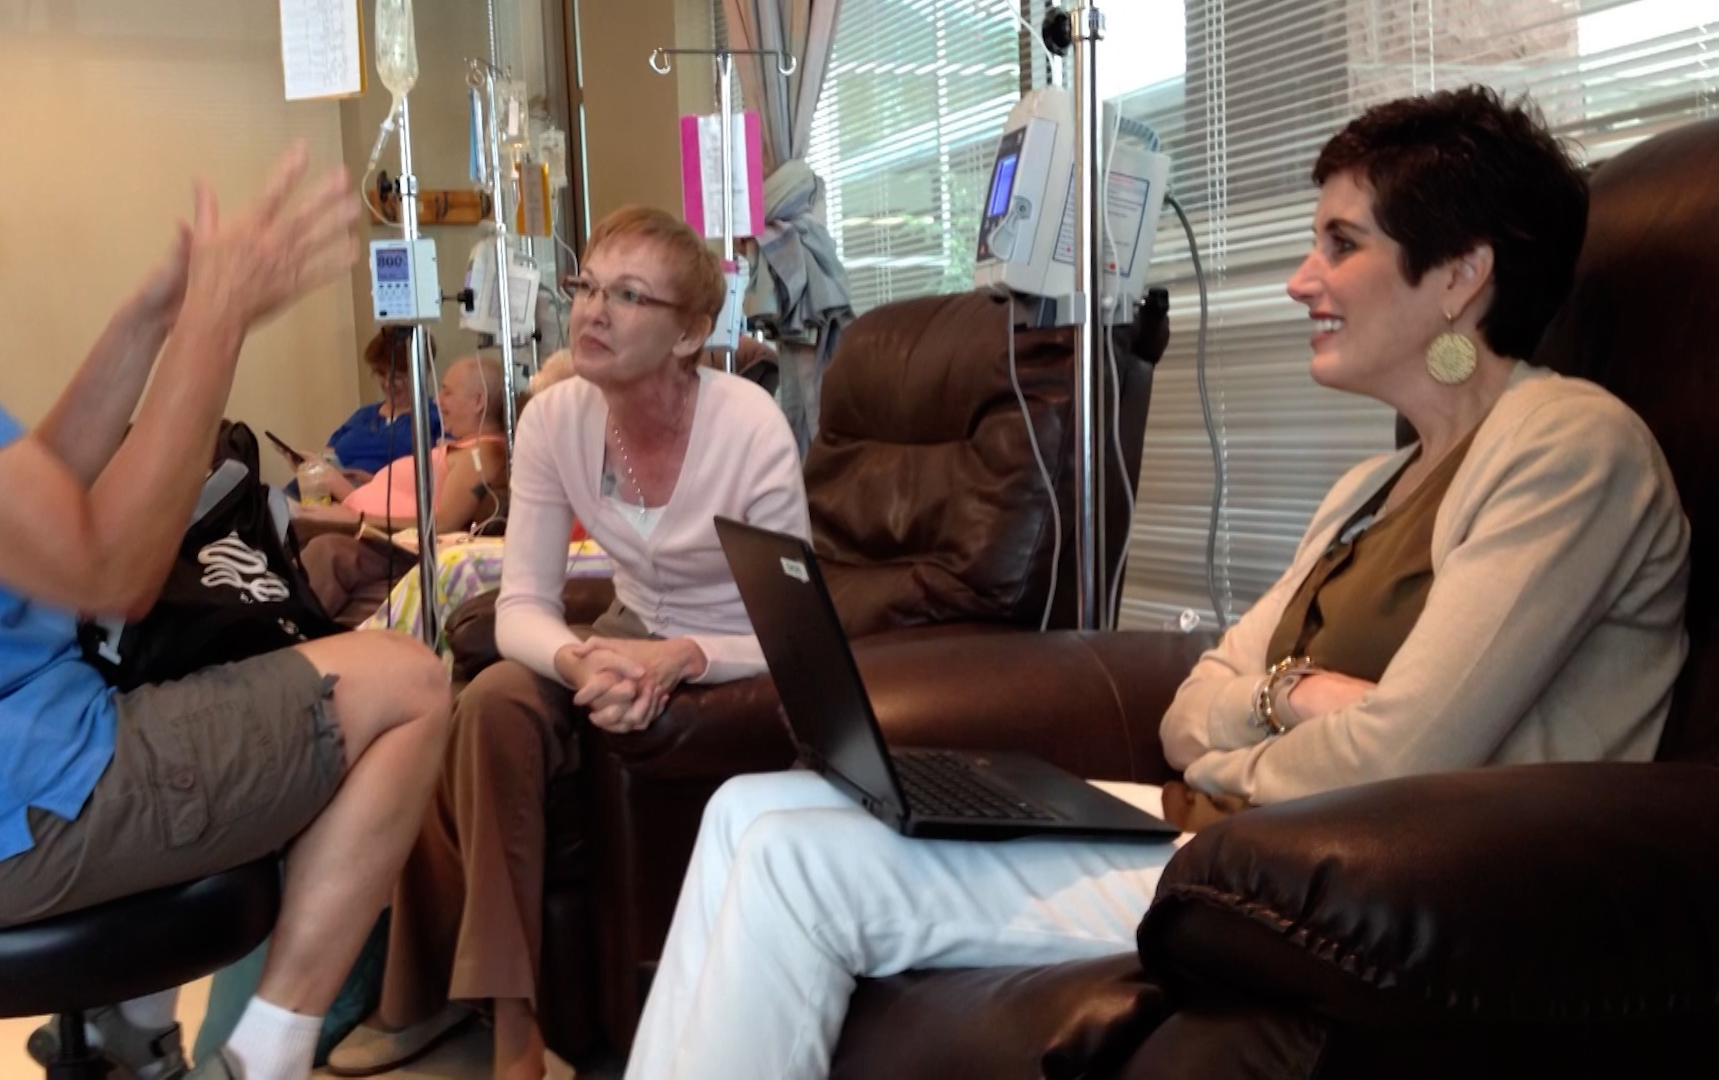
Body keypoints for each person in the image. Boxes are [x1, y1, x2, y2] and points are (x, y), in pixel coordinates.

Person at [623, 86, 1692, 1080]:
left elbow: (1406, 756)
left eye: (1342, 244)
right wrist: (1292, 696)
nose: (1300, 278)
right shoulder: (1377, 483)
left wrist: (1262, 724)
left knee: (796, 869)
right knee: (755, 807)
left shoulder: (1567, 448)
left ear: (1461, 274)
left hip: (1351, 879)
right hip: (1223, 832)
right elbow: (1193, 710)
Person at [0, 5, 449, 1080]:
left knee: (214, 676)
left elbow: (33, 499)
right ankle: (271, 1059)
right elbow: (109, 569)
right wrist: (217, 324)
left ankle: (132, 1043)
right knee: (410, 683)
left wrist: (155, 317)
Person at [323, 207, 809, 1079]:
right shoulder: (554, 422)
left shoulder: (749, 426)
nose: (592, 311)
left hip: (731, 652)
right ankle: (516, 1029)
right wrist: (581, 658)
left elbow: (794, 638)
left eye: (628, 295)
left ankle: (425, 1000)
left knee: (482, 719)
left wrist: (684, 659)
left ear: (690, 332)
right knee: (496, 701)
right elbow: (522, 608)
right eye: (587, 286)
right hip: (620, 634)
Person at [297, 354, 510, 621]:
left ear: (478, 401)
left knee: (323, 547)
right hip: (363, 524)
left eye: (447, 393)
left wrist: (356, 519)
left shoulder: (484, 453)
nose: (437, 401)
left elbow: (442, 525)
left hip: (388, 544)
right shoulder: (462, 447)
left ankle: (276, 635)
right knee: (279, 524)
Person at [317, 326, 444, 477]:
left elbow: (441, 476)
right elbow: (327, 458)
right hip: (325, 494)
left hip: (375, 496)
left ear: (422, 372)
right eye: (381, 374)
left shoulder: (437, 417)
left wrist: (373, 483)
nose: (387, 384)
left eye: (397, 376)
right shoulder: (362, 416)